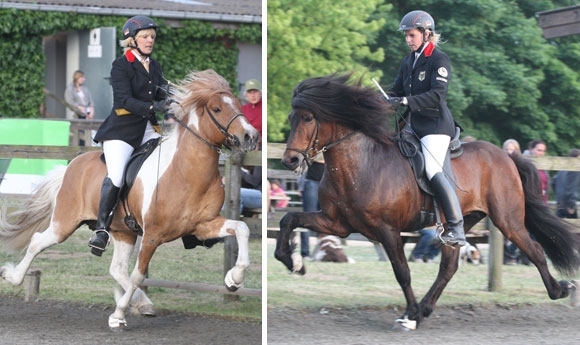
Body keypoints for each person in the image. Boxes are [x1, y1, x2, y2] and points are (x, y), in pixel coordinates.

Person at [89, 16, 172, 256]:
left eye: (152, 37)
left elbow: (162, 88)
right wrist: (152, 108)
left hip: (147, 129)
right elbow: (123, 100)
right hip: (121, 131)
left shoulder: (153, 65)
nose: (150, 41)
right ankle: (102, 229)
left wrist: (178, 97)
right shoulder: (120, 65)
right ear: (132, 40)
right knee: (116, 176)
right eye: (145, 37)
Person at [386, 10, 466, 247]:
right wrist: (383, 100)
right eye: (406, 36)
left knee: (432, 169)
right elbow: (396, 90)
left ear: (426, 33)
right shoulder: (408, 61)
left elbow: (437, 95)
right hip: (413, 125)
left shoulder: (439, 59)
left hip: (436, 126)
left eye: (411, 35)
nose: (408, 40)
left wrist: (406, 102)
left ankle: (456, 227)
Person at [298, 159, 324, 258]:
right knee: (307, 218)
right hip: (311, 183)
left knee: (326, 218)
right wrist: (300, 186)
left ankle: (322, 250)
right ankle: (305, 252)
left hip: (328, 185)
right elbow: (301, 163)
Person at [554, 148, 580, 219]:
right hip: (569, 205)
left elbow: (554, 181)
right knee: (574, 228)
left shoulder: (563, 169)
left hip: (560, 202)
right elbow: (572, 187)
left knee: (557, 227)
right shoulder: (575, 170)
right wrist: (571, 205)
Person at [524, 139, 549, 203]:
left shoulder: (544, 166)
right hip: (529, 201)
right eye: (539, 150)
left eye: (543, 151)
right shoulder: (524, 165)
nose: (541, 153)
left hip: (542, 201)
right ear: (531, 149)